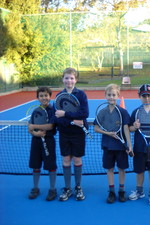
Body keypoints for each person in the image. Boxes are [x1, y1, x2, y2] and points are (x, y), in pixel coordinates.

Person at [94, 84, 133, 203]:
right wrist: (108, 133)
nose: (111, 97)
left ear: (118, 96)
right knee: (109, 169)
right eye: (109, 95)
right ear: (105, 96)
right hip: (107, 145)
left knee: (122, 169)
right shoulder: (102, 112)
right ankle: (111, 192)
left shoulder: (123, 112)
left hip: (121, 147)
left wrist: (130, 145)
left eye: (114, 95)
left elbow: (126, 129)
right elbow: (96, 128)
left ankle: (121, 191)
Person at [55, 67, 89, 201]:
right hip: (64, 133)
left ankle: (78, 187)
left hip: (78, 134)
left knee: (77, 159)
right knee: (66, 159)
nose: (69, 80)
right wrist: (71, 121)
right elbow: (57, 117)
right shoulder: (59, 96)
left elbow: (84, 114)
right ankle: (68, 188)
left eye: (72, 78)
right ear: (63, 79)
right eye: (66, 78)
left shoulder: (81, 95)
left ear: (76, 80)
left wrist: (66, 114)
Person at [28, 87, 57, 201]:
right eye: (41, 96)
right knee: (35, 165)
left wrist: (35, 127)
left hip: (48, 141)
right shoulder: (35, 111)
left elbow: (50, 126)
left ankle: (52, 189)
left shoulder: (52, 110)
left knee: (51, 165)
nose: (44, 98)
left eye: (46, 95)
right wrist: (35, 134)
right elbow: (29, 127)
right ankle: (35, 188)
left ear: (50, 97)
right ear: (38, 97)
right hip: (36, 141)